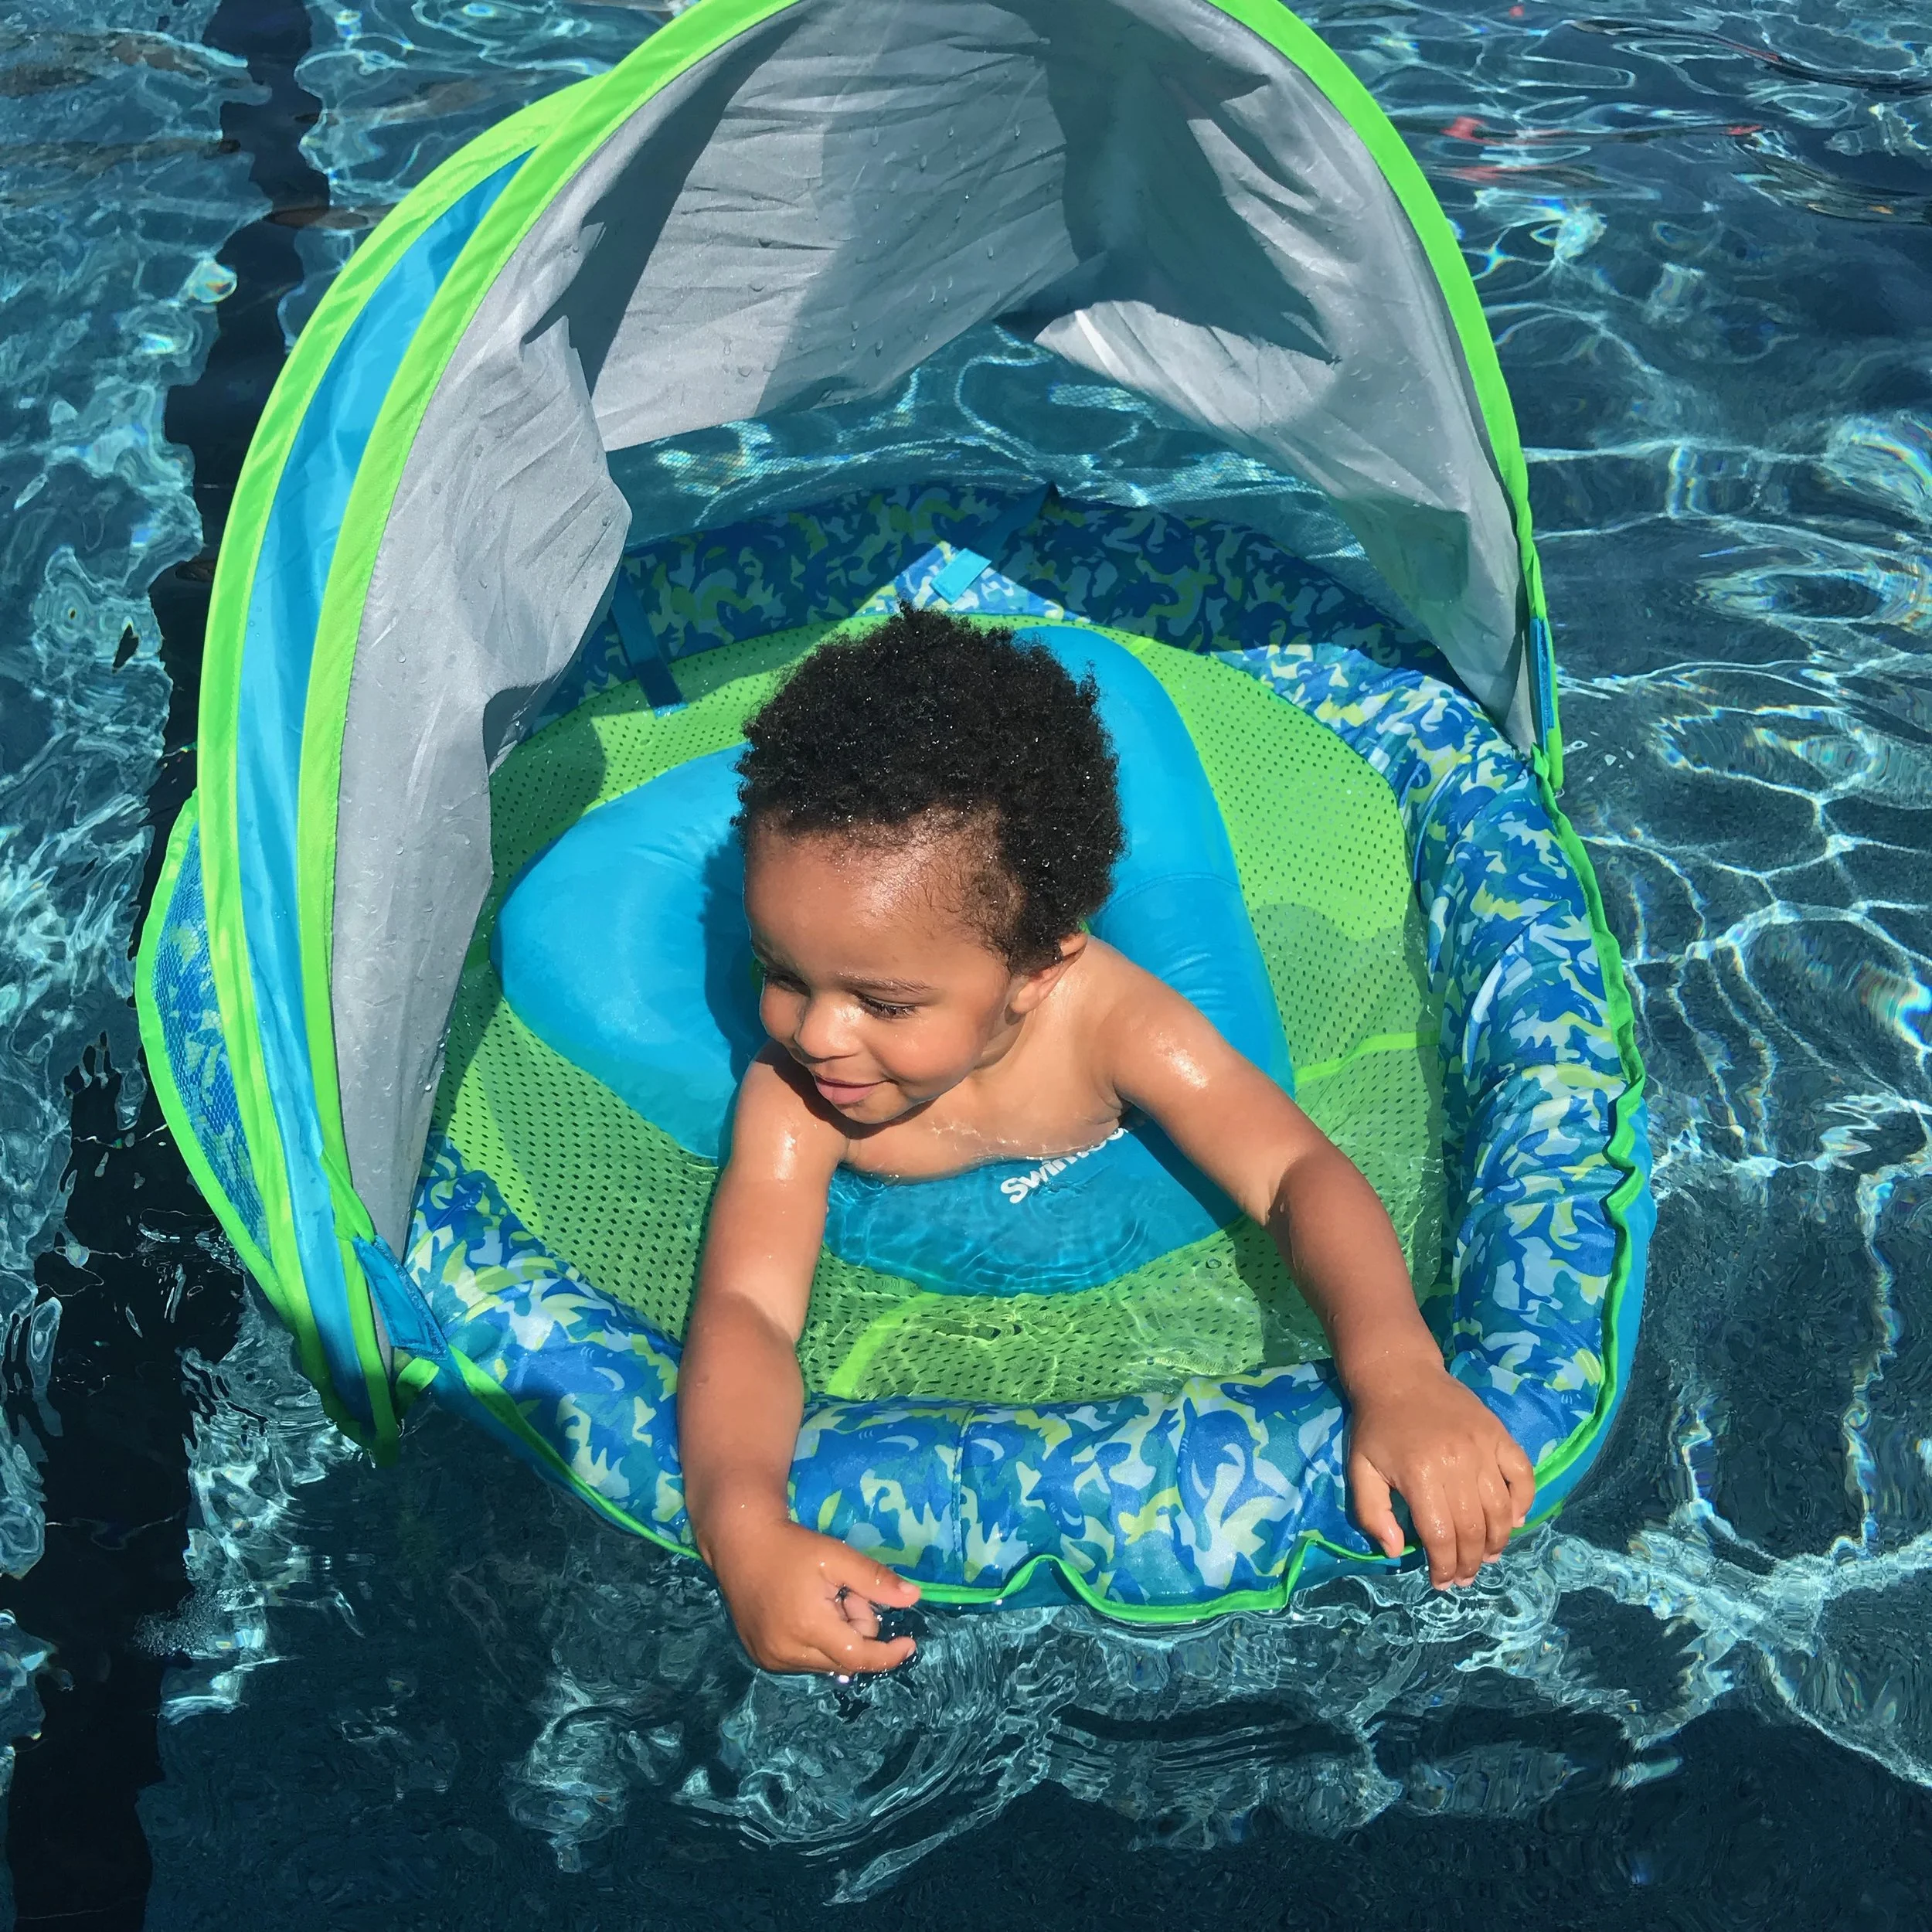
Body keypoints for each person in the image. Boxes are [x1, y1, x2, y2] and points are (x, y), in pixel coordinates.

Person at [678, 605, 1535, 1676]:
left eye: (883, 1003)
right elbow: (749, 1310)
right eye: (783, 972)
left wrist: (1399, 1372)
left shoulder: (1111, 1028)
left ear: (1037, 970)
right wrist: (743, 1523)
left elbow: (1293, 1172)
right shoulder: (795, 1100)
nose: (815, 1031)